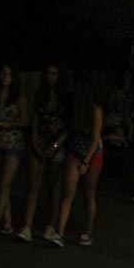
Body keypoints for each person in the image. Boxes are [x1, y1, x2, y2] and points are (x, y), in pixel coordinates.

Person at [50, 73, 103, 247]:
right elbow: (70, 130)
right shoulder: (75, 109)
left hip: (92, 153)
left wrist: (86, 162)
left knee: (88, 194)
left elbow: (95, 139)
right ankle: (59, 233)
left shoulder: (95, 110)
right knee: (68, 191)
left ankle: (88, 231)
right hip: (75, 150)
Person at [22, 62, 68, 242]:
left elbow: (67, 127)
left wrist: (56, 145)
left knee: (53, 186)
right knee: (34, 184)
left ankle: (51, 225)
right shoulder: (39, 95)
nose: (51, 77)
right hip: (40, 142)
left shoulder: (64, 98)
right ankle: (27, 226)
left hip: (56, 144)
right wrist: (34, 142)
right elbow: (34, 120)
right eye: (48, 74)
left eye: (54, 74)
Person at [0, 62, 29, 237]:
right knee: (0, 184)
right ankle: (7, 222)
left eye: (8, 74)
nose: (5, 77)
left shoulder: (18, 96)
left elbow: (24, 121)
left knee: (5, 182)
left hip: (13, 144)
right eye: (3, 73)